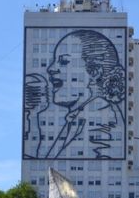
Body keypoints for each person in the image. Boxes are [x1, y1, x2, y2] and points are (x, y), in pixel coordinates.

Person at [23, 29, 126, 159]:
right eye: (55, 61)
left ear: (94, 72)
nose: (50, 69)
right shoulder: (78, 116)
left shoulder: (103, 119)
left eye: (64, 61)